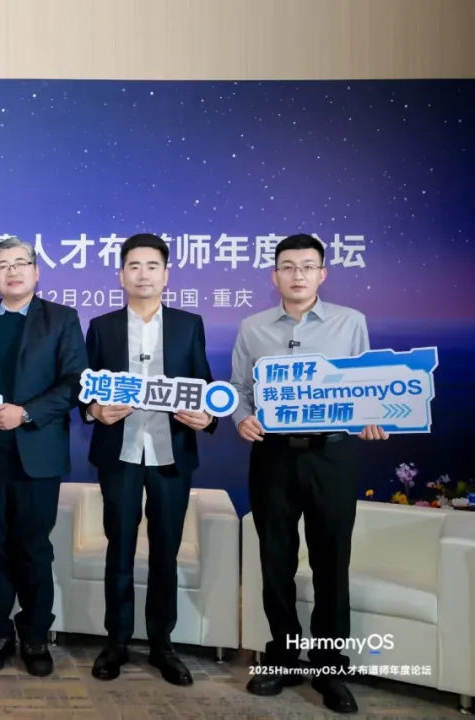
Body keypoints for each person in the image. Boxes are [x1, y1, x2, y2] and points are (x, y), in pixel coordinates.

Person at [231, 233, 388, 715]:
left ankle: (330, 667)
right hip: (273, 457)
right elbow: (239, 389)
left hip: (331, 456)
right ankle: (282, 656)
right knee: (275, 559)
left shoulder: (350, 322)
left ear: (322, 273)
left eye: (306, 266)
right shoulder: (253, 327)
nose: (297, 275)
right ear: (274, 275)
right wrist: (242, 418)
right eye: (287, 266)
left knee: (331, 561)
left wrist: (372, 414)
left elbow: (366, 384)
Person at [81, 233, 216, 685]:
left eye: (152, 266)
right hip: (119, 454)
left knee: (165, 553)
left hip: (170, 454)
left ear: (166, 274)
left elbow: (204, 385)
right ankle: (116, 642)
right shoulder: (101, 326)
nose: (143, 274)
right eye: (134, 266)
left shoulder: (188, 324)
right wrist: (94, 410)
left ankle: (163, 645)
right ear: (121, 275)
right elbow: (84, 389)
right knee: (118, 550)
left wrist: (207, 417)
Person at [0, 236, 88, 677]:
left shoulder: (61, 318)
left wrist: (25, 413)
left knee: (32, 548)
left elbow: (75, 383)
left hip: (36, 454)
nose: (12, 271)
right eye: (2, 265)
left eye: (20, 263)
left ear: (36, 270)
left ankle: (34, 635)